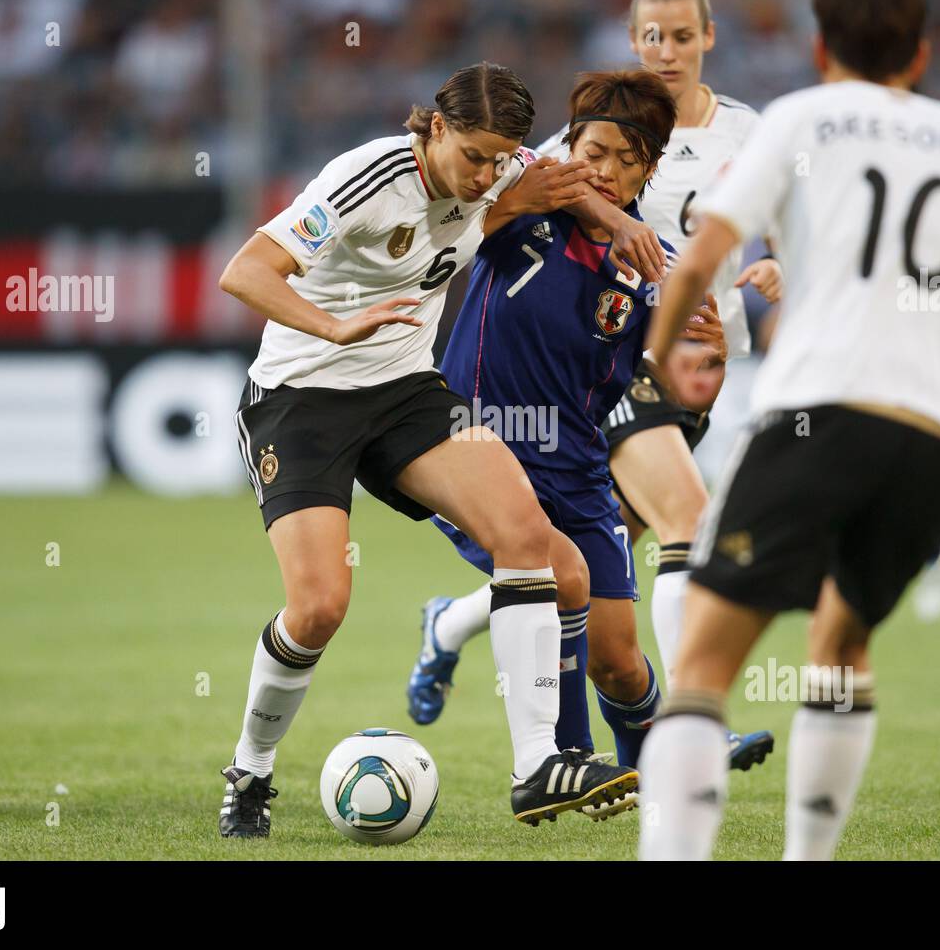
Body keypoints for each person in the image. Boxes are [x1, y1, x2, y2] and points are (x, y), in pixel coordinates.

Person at [637, 0, 940, 860]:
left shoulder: (800, 118)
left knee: (701, 672)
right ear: (919, 58)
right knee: (840, 647)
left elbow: (701, 256)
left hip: (822, 413)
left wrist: (655, 362)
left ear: (822, 47)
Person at [214, 62, 642, 836]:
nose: (487, 176)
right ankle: (251, 770)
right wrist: (335, 326)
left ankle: (536, 766)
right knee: (318, 608)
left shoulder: (504, 166)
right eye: (474, 155)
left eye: (500, 158)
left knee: (529, 541)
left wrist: (625, 226)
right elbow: (244, 272)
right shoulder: (367, 177)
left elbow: (565, 180)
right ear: (435, 128)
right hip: (302, 399)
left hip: (405, 391)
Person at [407, 0, 778, 772]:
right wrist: (615, 218)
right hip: (482, 444)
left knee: (616, 653)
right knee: (558, 577)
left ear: (650, 167)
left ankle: (653, 767)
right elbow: (500, 189)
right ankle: (570, 758)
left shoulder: (658, 271)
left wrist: (695, 352)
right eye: (592, 150)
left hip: (575, 461)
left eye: (625, 160)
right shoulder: (525, 199)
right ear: (570, 144)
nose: (603, 171)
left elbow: (680, 370)